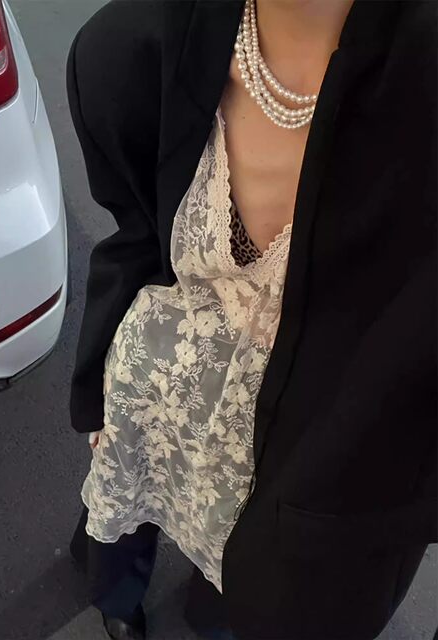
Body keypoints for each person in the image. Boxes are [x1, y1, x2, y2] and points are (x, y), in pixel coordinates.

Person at [66, 1, 437, 639]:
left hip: (297, 463)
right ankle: (119, 599)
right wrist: (96, 381)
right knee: (124, 518)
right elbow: (134, 239)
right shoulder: (131, 51)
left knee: (245, 587)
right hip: (156, 387)